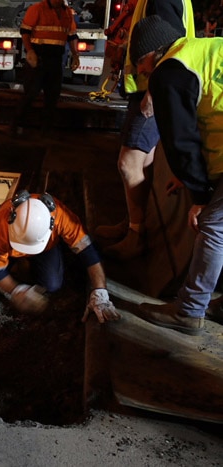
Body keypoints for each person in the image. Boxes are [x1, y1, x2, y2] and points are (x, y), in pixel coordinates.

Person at [130, 16, 223, 335]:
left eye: (139, 63)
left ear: (152, 54)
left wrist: (200, 198)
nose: (141, 73)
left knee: (213, 226)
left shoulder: (169, 72)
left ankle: (189, 311)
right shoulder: (206, 49)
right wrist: (194, 180)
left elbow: (181, 140)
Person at [94, 0, 195, 261]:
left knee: (129, 164)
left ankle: (136, 235)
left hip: (151, 88)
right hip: (147, 87)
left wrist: (154, 90)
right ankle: (134, 223)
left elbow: (167, 47)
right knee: (143, 163)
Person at [0, 190, 120, 323]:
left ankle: (25, 267)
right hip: (10, 250)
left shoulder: (61, 216)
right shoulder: (0, 227)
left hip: (46, 248)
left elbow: (89, 252)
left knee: (52, 284)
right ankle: (17, 267)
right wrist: (16, 290)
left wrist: (100, 292)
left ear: (52, 226)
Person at [10, 0, 80, 137]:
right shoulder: (37, 9)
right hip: (39, 58)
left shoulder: (67, 13)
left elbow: (72, 35)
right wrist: (29, 51)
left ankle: (45, 130)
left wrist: (75, 54)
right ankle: (16, 124)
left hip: (55, 60)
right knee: (30, 93)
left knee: (52, 96)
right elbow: (25, 32)